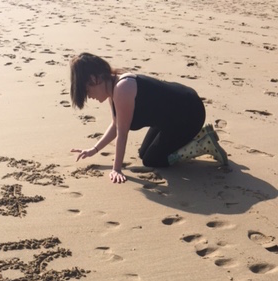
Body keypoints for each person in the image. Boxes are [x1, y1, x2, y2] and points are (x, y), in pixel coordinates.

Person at [69, 52, 228, 184]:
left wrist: (116, 169)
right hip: (170, 116)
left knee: (153, 160)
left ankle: (201, 143)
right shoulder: (113, 88)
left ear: (94, 79)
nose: (89, 96)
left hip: (189, 112)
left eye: (87, 91)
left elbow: (123, 134)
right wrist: (93, 150)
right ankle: (195, 137)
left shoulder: (122, 88)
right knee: (144, 153)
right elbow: (116, 126)